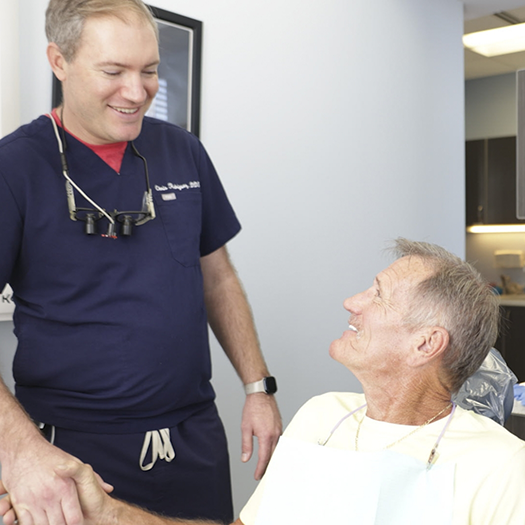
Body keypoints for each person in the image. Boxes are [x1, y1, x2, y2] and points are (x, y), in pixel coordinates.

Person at [3, 238, 523, 525]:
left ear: (426, 344)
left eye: (378, 294)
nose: (352, 302)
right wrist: (105, 513)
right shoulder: (324, 416)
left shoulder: (499, 466)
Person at [0, 1, 281, 524]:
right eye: (113, 72)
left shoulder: (183, 152)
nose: (137, 92)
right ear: (58, 60)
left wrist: (257, 387)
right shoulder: (14, 168)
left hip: (192, 439)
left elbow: (217, 276)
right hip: (71, 453)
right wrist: (20, 453)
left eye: (149, 71)